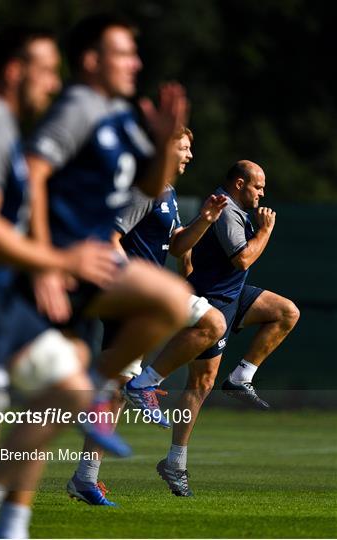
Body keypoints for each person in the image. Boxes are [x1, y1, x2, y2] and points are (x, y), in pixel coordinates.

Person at [0, 26, 121, 538]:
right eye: (45, 69)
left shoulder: (5, 127)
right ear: (15, 71)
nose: (54, 81)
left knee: (70, 383)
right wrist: (54, 257)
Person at [26, 14, 192, 406]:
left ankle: (96, 389)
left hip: (87, 267)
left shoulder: (117, 115)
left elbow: (149, 188)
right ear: (90, 61)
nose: (135, 63)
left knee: (168, 304)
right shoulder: (77, 108)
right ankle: (102, 387)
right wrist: (44, 262)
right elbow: (32, 174)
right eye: (123, 54)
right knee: (170, 302)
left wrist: (164, 145)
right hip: (61, 262)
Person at [67, 126, 228, 505]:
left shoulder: (167, 191)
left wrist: (203, 220)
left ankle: (84, 478)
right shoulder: (146, 187)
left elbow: (174, 246)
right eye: (184, 147)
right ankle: (145, 385)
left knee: (114, 392)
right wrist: (132, 283)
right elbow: (110, 238)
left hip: (145, 297)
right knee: (212, 323)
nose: (189, 155)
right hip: (134, 297)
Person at [152, 160, 300, 497]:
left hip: (233, 296)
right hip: (214, 303)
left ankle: (240, 377)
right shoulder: (227, 208)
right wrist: (265, 230)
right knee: (200, 384)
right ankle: (175, 462)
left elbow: (189, 247)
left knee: (286, 312)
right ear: (238, 183)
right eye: (258, 186)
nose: (262, 193)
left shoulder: (229, 206)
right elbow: (243, 259)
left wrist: (188, 265)